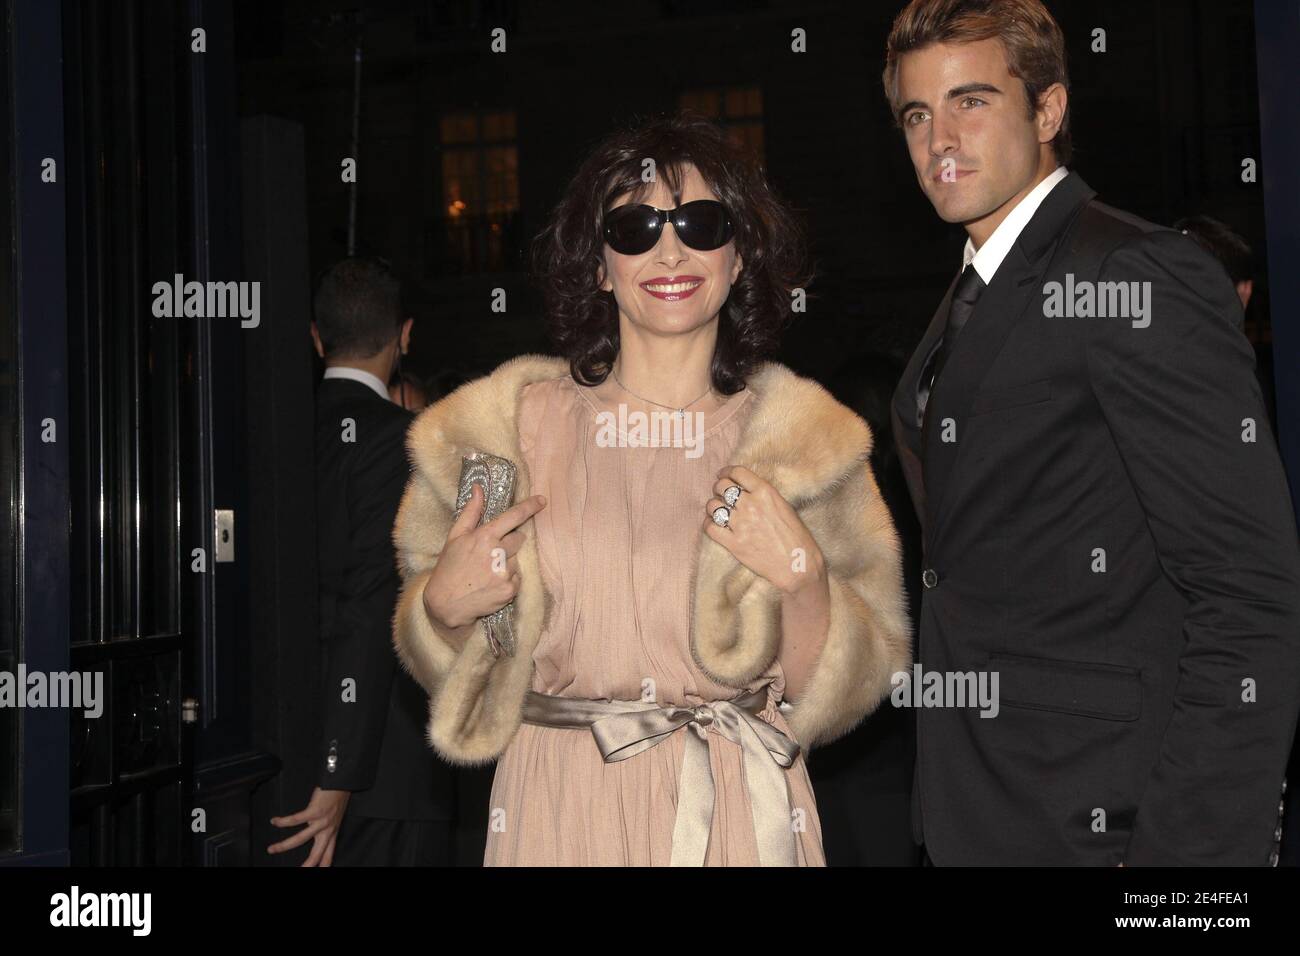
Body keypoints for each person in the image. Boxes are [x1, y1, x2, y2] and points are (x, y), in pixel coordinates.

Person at [391, 112, 911, 866]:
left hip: (740, 808)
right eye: (634, 228)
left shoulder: (805, 444)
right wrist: (440, 609)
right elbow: (459, 663)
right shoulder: (506, 431)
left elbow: (835, 696)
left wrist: (803, 579)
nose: (671, 248)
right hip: (561, 806)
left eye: (702, 223)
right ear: (600, 264)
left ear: (739, 257)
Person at [883, 0, 1300, 865]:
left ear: (1048, 111)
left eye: (972, 101)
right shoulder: (969, 293)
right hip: (981, 809)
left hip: (1105, 822)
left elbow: (1249, 596)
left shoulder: (1132, 273)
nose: (939, 138)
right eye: (917, 113)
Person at [268, 256, 458, 866]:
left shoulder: (269, 436)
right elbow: (371, 606)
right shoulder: (403, 440)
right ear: (404, 336)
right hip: (382, 771)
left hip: (281, 749)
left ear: (317, 338)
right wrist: (337, 773)